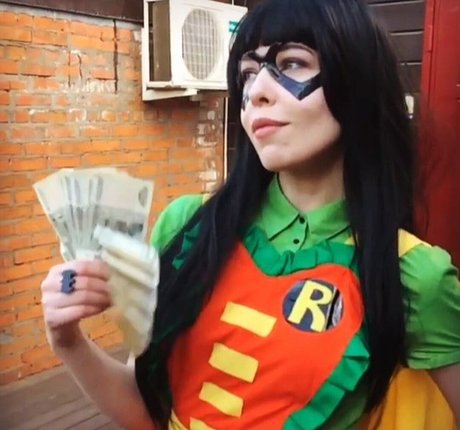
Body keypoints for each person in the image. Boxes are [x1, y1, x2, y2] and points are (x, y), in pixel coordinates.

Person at [40, 0, 460, 428]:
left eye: (292, 63)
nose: (257, 90)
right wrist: (68, 340)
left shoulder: (414, 274)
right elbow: (146, 411)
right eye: (247, 73)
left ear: (358, 82)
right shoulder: (186, 228)